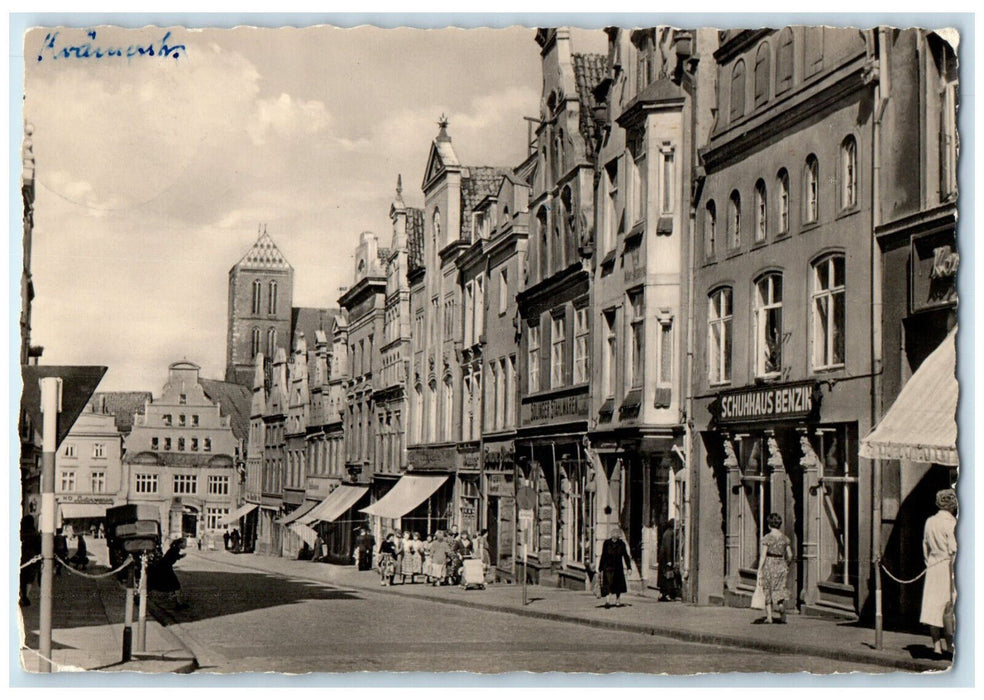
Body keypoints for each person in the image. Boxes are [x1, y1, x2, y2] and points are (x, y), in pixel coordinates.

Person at [920, 488, 957, 656]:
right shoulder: (952, 524)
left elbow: (925, 546)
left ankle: (936, 646)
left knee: (932, 607)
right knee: (949, 607)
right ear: (952, 505)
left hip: (933, 566)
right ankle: (950, 645)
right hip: (948, 566)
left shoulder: (930, 521)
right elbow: (954, 550)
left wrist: (929, 561)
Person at [757, 512, 793, 624]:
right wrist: (786, 564)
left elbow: (763, 555)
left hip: (769, 564)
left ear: (769, 525)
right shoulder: (785, 538)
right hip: (781, 564)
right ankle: (781, 609)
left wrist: (759, 569)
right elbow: (790, 555)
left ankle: (769, 617)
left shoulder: (767, 538)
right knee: (780, 589)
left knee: (768, 589)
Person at [149, 538, 188, 608]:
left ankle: (175, 600)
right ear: (180, 544)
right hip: (165, 568)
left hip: (164, 567)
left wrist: (181, 556)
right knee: (176, 585)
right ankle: (179, 603)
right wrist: (181, 556)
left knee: (170, 585)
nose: (185, 545)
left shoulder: (174, 548)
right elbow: (172, 557)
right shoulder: (175, 549)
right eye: (184, 543)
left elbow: (173, 557)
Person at [598, 527, 632, 608]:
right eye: (614, 535)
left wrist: (629, 567)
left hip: (618, 567)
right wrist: (600, 568)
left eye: (617, 536)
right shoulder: (606, 543)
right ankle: (607, 601)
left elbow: (625, 556)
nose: (615, 537)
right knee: (608, 584)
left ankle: (617, 601)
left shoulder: (621, 544)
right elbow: (603, 555)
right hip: (608, 567)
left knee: (618, 585)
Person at [19, 515, 41, 606]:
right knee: (29, 579)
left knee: (21, 578)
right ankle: (26, 596)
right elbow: (39, 547)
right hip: (32, 558)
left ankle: (22, 595)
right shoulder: (36, 534)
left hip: (21, 557)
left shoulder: (20, 533)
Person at [658, 519, 681, 601]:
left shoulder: (667, 533)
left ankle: (663, 594)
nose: (678, 526)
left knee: (665, 576)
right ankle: (666, 594)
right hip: (666, 559)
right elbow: (668, 547)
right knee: (667, 576)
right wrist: (669, 560)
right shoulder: (669, 534)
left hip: (664, 559)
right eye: (677, 524)